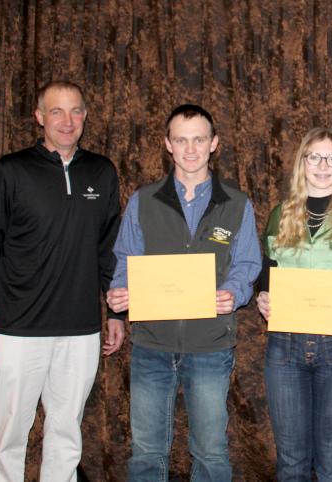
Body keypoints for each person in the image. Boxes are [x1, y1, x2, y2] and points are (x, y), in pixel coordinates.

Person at [0, 80, 123, 482]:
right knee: (9, 435)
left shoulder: (102, 172)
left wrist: (119, 313)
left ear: (85, 116)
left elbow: (110, 251)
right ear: (39, 117)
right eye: (56, 111)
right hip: (17, 331)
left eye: (75, 111)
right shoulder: (11, 170)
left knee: (66, 434)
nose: (66, 121)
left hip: (80, 330)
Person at [105, 104, 261, 481]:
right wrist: (118, 294)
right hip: (151, 345)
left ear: (214, 144)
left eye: (199, 139)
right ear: (168, 145)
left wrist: (233, 292)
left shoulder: (237, 204)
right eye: (181, 139)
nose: (190, 149)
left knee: (210, 452)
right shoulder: (143, 200)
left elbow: (247, 265)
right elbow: (125, 258)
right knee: (146, 452)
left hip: (209, 344)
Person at [255, 127, 332, 481]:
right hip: (285, 346)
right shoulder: (281, 214)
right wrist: (262, 296)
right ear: (302, 163)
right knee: (291, 461)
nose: (323, 165)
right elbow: (268, 270)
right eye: (315, 157)